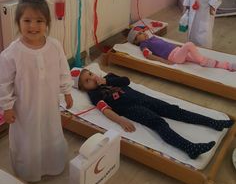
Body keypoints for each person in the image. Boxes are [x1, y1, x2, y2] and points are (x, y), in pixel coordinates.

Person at [0, 0, 73, 182]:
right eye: (27, 21)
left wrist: (67, 91)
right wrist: (6, 107)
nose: (33, 26)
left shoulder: (54, 46)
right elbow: (3, 82)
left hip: (49, 105)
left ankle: (51, 164)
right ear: (18, 22)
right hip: (25, 108)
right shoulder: (12, 53)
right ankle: (29, 170)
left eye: (39, 21)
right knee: (28, 138)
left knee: (50, 131)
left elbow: (63, 70)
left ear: (47, 23)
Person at [77, 69, 233, 160]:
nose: (91, 78)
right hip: (131, 108)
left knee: (175, 110)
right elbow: (106, 110)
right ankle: (190, 148)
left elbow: (126, 81)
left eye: (90, 74)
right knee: (158, 123)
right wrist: (120, 121)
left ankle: (213, 122)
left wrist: (106, 80)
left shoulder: (108, 77)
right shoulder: (95, 95)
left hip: (143, 98)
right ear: (85, 88)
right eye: (87, 81)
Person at [127, 27, 236, 71]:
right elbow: (148, 55)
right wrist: (164, 61)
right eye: (140, 34)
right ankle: (203, 61)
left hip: (178, 52)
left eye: (142, 31)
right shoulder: (144, 45)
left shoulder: (153, 38)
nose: (143, 33)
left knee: (199, 58)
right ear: (136, 41)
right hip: (174, 57)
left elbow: (167, 43)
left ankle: (227, 66)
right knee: (189, 45)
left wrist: (178, 46)